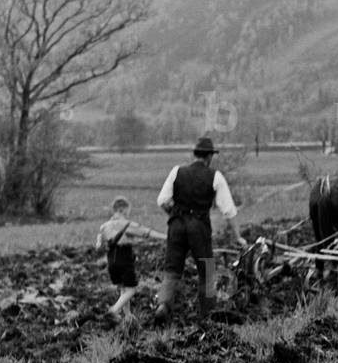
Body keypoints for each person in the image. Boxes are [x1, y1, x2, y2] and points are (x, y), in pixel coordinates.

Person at [154, 137, 247, 324]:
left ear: (195, 154)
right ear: (209, 157)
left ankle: (163, 305)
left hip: (177, 226)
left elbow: (162, 200)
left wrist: (174, 214)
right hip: (199, 228)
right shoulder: (215, 176)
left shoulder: (176, 171)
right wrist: (238, 237)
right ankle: (207, 314)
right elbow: (228, 210)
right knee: (207, 270)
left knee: (172, 270)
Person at [95, 197, 166, 324]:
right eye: (128, 211)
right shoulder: (126, 224)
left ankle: (128, 317)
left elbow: (98, 246)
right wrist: (166, 237)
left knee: (123, 289)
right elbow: (147, 232)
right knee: (132, 289)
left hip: (111, 260)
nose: (128, 214)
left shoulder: (104, 227)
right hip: (124, 258)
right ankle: (113, 311)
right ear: (122, 210)